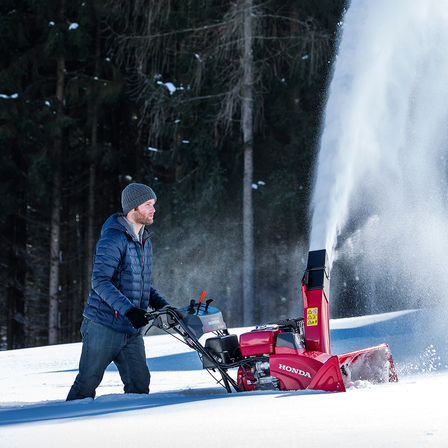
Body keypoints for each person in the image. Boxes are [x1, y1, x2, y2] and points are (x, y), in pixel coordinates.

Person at [66, 183, 169, 401]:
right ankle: (64, 428)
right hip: (103, 326)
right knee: (86, 386)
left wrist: (164, 306)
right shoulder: (113, 238)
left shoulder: (144, 240)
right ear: (133, 209)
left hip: (130, 329)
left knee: (139, 385)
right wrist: (130, 310)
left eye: (153, 204)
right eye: (148, 205)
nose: (153, 209)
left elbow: (141, 284)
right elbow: (100, 282)